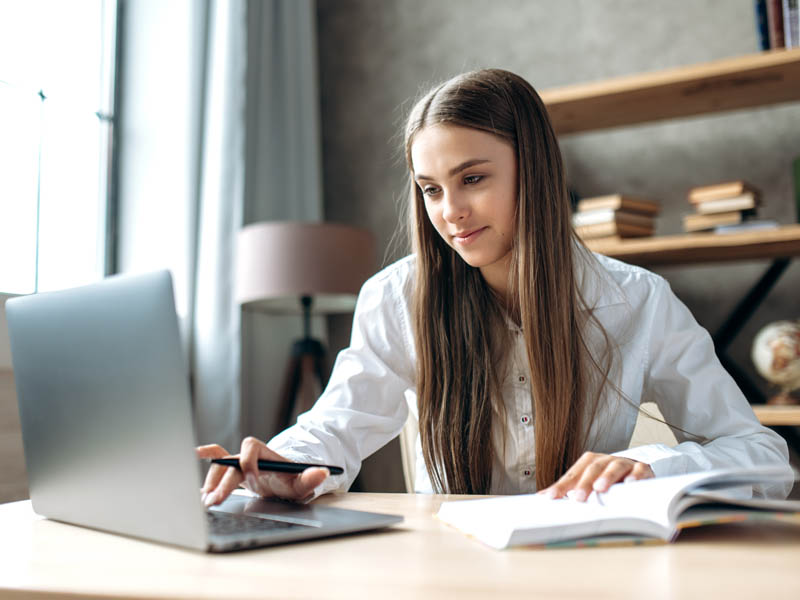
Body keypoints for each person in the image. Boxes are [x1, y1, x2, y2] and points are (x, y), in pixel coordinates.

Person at [198, 68, 792, 507]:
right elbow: (337, 426)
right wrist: (286, 462)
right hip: (451, 572)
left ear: (532, 168)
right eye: (430, 189)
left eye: (473, 178)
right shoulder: (397, 297)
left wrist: (650, 465)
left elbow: (764, 458)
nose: (451, 211)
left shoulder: (637, 299)